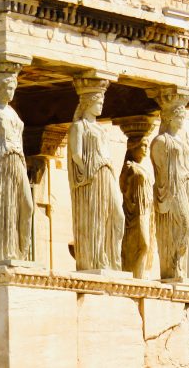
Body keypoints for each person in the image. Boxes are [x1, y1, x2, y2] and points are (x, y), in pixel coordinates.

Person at [68, 79, 124, 271]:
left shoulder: (100, 128)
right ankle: (99, 259)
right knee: (97, 217)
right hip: (92, 175)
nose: (101, 105)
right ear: (88, 103)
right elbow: (76, 154)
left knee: (118, 215)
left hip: (107, 172)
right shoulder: (79, 127)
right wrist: (87, 171)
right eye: (98, 102)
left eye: (101, 101)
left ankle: (113, 259)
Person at [0, 61, 33, 261]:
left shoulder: (12, 113)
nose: (11, 92)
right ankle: (2, 254)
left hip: (17, 163)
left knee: (27, 205)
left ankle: (21, 253)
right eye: (7, 88)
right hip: (0, 165)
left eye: (13, 88)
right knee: (4, 207)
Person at [150, 99, 189, 281]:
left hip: (186, 187)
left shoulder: (182, 141)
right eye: (178, 115)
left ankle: (179, 267)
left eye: (183, 115)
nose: (181, 119)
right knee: (186, 226)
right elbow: (160, 170)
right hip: (172, 189)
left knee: (185, 227)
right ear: (168, 117)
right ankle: (172, 266)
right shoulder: (160, 141)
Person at [120, 136, 154, 279]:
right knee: (143, 243)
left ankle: (139, 275)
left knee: (148, 245)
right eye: (143, 145)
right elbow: (123, 187)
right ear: (133, 147)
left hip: (147, 209)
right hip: (136, 210)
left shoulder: (144, 168)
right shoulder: (129, 167)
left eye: (147, 146)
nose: (146, 149)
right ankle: (135, 277)